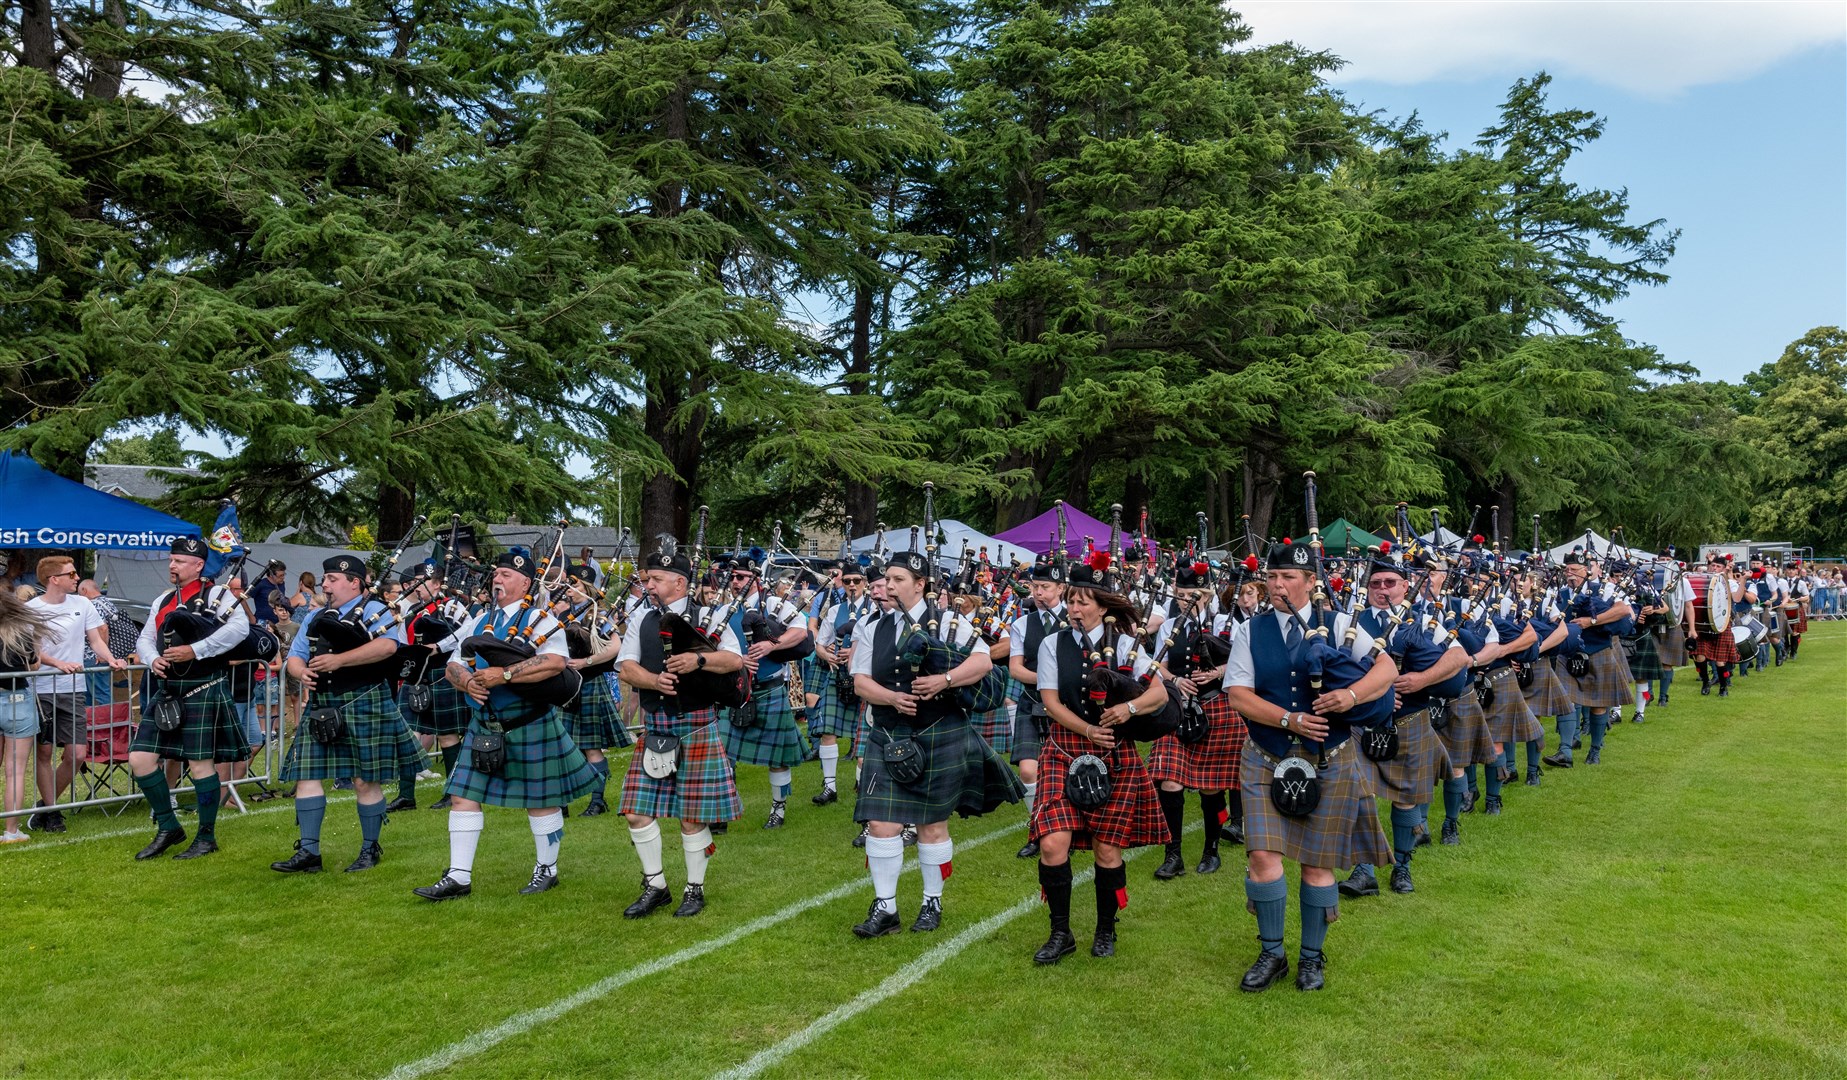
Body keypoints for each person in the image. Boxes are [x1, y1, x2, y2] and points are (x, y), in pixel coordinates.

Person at [1222, 539, 1396, 993]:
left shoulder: (1340, 625)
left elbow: (1387, 671)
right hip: (1265, 754)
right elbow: (1238, 694)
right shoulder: (1250, 631)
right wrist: (1288, 718)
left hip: (1328, 759)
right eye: (1272, 578)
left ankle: (1312, 959)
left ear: (1311, 582)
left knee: (1317, 865)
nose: (1278, 586)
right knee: (1262, 855)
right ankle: (1272, 952)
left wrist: (1351, 696)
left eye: (1289, 578)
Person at [850, 550, 1022, 939]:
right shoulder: (870, 627)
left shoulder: (949, 621)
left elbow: (981, 664)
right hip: (890, 732)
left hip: (941, 730)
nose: (888, 586)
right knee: (880, 824)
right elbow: (860, 681)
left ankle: (932, 901)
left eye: (897, 579)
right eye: (887, 579)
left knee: (932, 825)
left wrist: (944, 681)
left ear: (920, 584)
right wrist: (892, 698)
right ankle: (886, 908)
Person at [413, 549, 600, 900]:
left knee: (541, 800)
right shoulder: (480, 618)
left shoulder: (541, 619)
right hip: (484, 722)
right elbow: (456, 661)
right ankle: (458, 876)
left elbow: (555, 662)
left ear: (526, 582)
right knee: (461, 796)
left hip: (528, 721)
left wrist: (506, 674)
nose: (498, 579)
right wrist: (465, 681)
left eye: (506, 575)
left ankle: (547, 868)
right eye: (496, 574)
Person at [1029, 555, 1169, 963]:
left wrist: (1129, 710)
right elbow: (1051, 702)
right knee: (1053, 844)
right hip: (1063, 749)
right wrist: (1087, 730)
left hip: (1115, 755)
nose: (1074, 609)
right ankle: (1060, 932)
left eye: (1083, 602)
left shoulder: (1127, 645)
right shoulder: (1053, 644)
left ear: (1103, 607)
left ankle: (1106, 930)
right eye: (1071, 601)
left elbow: (1158, 693)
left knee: (1108, 850)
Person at [614, 544, 747, 918]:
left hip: (696, 724)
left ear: (679, 581)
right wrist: (655, 681)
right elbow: (625, 667)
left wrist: (698, 658)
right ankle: (655, 885)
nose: (649, 586)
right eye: (647, 579)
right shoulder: (641, 617)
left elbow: (734, 660)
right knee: (636, 812)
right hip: (657, 726)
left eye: (655, 579)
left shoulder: (709, 615)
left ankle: (694, 889)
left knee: (692, 816)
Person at [272, 555, 420, 875]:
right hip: (323, 704)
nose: (326, 584)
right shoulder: (314, 616)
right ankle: (309, 852)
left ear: (355, 582)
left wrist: (339, 661)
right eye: (324, 579)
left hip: (364, 699)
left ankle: (370, 848)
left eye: (333, 579)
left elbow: (388, 647)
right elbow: (294, 657)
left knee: (364, 779)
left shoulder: (374, 610)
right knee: (308, 776)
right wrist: (302, 672)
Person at [1341, 550, 1464, 897]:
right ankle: (1363, 870)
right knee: (1358, 792)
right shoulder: (1352, 620)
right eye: (1376, 583)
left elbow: (1459, 657)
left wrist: (1422, 679)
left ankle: (1403, 867)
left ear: (1405, 585)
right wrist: (1372, 695)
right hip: (1361, 722)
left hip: (1409, 720)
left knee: (1406, 798)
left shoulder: (1424, 619)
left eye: (1390, 583)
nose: (1383, 589)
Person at [128, 537, 251, 861]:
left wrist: (194, 650)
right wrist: (152, 658)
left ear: (198, 565)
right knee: (139, 758)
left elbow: (239, 630)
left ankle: (206, 836)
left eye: (179, 561)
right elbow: (146, 638)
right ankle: (169, 827)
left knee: (200, 764)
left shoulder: (218, 595)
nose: (172, 565)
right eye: (171, 560)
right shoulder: (163, 599)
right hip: (168, 690)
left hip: (203, 686)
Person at [1150, 558, 1245, 879]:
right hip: (1177, 707)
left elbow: (1246, 663)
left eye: (1192, 596)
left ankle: (1211, 849)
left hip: (1216, 706)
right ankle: (1173, 854)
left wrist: (1218, 671)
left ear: (1206, 596)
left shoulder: (1224, 625)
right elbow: (1156, 665)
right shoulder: (1168, 626)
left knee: (1211, 787)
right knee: (1169, 780)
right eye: (1180, 595)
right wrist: (1175, 681)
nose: (1184, 601)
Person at [27, 556, 127, 832]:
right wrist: (58, 664)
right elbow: (32, 652)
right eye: (70, 574)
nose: (76, 578)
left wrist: (111, 658)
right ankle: (54, 813)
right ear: (53, 579)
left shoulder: (83, 604)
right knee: (45, 752)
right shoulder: (32, 609)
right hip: (43, 689)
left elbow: (95, 639)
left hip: (74, 689)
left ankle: (45, 808)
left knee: (78, 754)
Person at [717, 559, 813, 829]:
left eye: (742, 576)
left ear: (756, 580)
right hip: (735, 691)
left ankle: (778, 809)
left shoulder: (772, 605)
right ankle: (725, 809)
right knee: (723, 754)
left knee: (778, 759)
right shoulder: (723, 610)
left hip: (768, 688)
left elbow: (801, 630)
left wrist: (771, 645)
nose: (736, 582)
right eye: (733, 576)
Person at [1005, 558, 1067, 860]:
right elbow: (1016, 669)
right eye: (1035, 587)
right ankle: (1037, 827)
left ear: (1061, 588)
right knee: (1029, 769)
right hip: (1033, 701)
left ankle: (1069, 823)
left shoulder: (1075, 619)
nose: (1039, 593)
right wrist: (1047, 682)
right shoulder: (1020, 624)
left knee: (1068, 767)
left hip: (1069, 705)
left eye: (1045, 587)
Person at [810, 562, 875, 808]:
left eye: (856, 581)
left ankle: (861, 785)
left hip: (865, 678)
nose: (851, 586)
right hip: (838, 678)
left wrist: (856, 654)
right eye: (847, 581)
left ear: (865, 583)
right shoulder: (835, 610)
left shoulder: (874, 610)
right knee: (827, 731)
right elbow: (820, 642)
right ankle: (829, 787)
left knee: (865, 736)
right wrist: (827, 656)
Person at [0, 591, 52, 842]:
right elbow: (34, 665)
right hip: (17, 701)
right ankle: (11, 831)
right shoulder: (20, 632)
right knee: (15, 772)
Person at [249, 561, 288, 627]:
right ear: (271, 575)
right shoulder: (261, 584)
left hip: (278, 622)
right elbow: (242, 599)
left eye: (284, 574)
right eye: (280, 576)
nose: (283, 577)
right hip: (262, 621)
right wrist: (251, 616)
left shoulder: (281, 584)